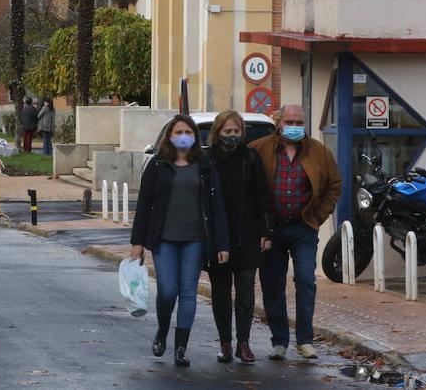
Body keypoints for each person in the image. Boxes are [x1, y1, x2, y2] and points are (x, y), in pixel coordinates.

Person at [130, 114, 230, 368]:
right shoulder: (157, 165)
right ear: (170, 136)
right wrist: (137, 243)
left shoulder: (205, 166)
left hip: (195, 240)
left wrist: (222, 244)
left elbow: (216, 207)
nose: (183, 136)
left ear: (195, 137)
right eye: (178, 132)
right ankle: (163, 330)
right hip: (164, 239)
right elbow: (143, 205)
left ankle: (181, 348)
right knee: (167, 291)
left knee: (188, 294)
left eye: (188, 132)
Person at [252, 103, 341, 361]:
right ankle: (279, 341)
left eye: (299, 122)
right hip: (271, 229)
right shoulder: (261, 149)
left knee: (305, 280)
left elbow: (334, 185)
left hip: (303, 227)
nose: (294, 127)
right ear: (279, 123)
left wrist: (317, 216)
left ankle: (305, 340)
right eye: (289, 122)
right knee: (272, 284)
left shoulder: (319, 152)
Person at [207, 110, 274, 364]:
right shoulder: (208, 159)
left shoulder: (251, 157)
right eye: (227, 132)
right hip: (218, 236)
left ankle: (243, 342)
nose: (232, 136)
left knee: (246, 291)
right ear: (218, 132)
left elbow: (263, 195)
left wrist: (267, 231)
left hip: (248, 233)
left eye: (236, 131)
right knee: (221, 291)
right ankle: (225, 341)